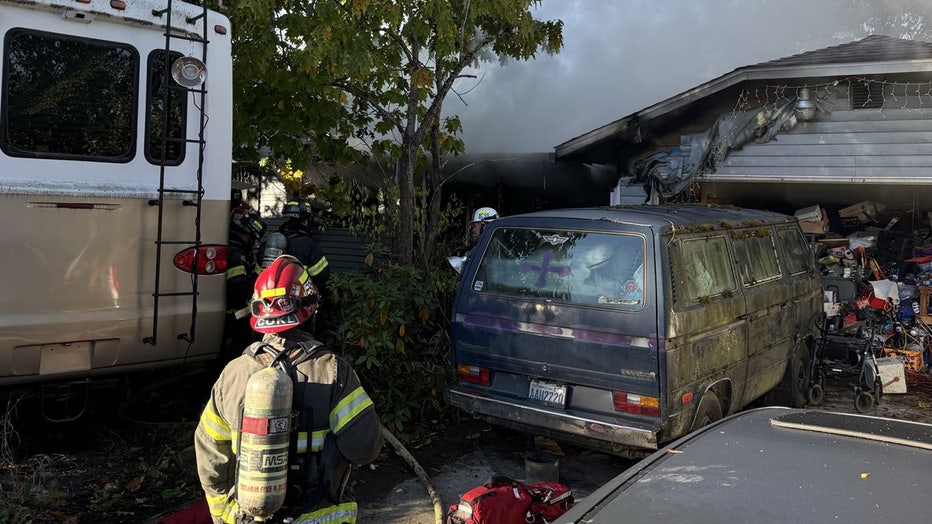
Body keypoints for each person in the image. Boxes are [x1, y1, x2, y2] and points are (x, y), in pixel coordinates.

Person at [195, 255, 383, 524]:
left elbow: (210, 456)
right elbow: (364, 448)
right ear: (312, 311)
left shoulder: (233, 374)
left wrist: (222, 514)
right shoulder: (334, 371)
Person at [260, 199, 331, 296]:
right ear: (305, 221)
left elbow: (259, 275)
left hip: (266, 298)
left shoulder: (268, 243)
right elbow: (322, 277)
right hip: (296, 300)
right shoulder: (310, 245)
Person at [223, 207, 266, 358]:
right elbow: (239, 290)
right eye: (251, 238)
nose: (252, 242)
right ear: (243, 232)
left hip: (235, 319)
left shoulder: (235, 249)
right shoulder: (235, 254)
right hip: (235, 321)